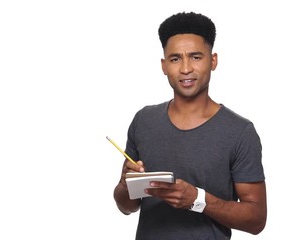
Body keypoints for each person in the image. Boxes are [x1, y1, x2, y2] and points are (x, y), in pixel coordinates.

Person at [113, 11, 267, 239]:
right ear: (164, 66)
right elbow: (127, 206)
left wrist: (198, 200)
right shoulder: (143, 121)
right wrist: (126, 186)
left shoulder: (239, 132)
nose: (185, 69)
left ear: (213, 61)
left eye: (196, 57)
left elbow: (256, 220)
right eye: (175, 59)